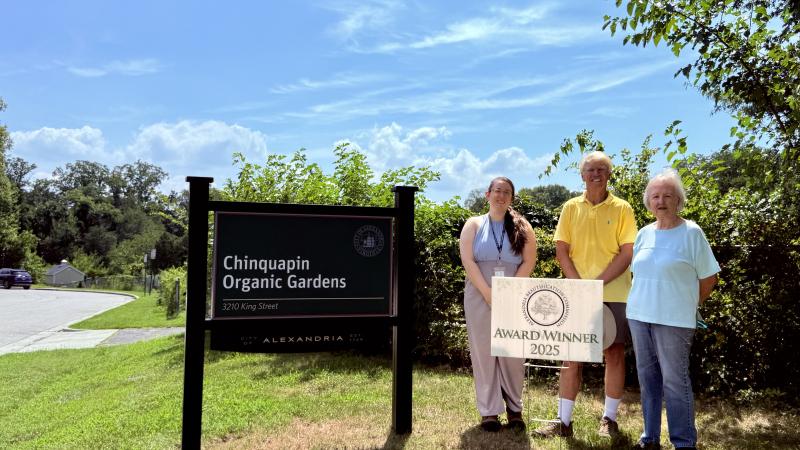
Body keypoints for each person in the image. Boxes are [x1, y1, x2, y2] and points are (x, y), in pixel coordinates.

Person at [535, 151, 638, 439]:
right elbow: (561, 250)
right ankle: (563, 422)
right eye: (590, 169)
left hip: (615, 292)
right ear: (582, 175)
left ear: (609, 174)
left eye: (601, 169)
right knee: (570, 355)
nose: (596, 174)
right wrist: (580, 286)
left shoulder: (623, 208)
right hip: (576, 293)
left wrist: (597, 285)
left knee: (613, 353)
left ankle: (609, 420)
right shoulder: (570, 207)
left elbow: (627, 252)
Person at [627, 169, 720, 450]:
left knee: (675, 381)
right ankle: (650, 438)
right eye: (655, 196)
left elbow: (709, 278)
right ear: (649, 201)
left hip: (675, 320)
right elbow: (638, 274)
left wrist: (687, 304)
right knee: (648, 379)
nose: (661, 201)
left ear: (678, 200)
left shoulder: (692, 233)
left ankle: (683, 442)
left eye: (667, 195)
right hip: (639, 316)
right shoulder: (643, 234)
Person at [460, 176, 538, 432]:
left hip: (514, 295)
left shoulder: (523, 227)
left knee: (512, 351)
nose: (501, 196)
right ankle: (489, 412)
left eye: (506, 192)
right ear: (488, 194)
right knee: (483, 352)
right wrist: (487, 293)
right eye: (497, 190)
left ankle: (515, 409)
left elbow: (529, 261)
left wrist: (509, 292)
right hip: (479, 293)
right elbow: (468, 261)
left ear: (511, 198)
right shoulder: (473, 224)